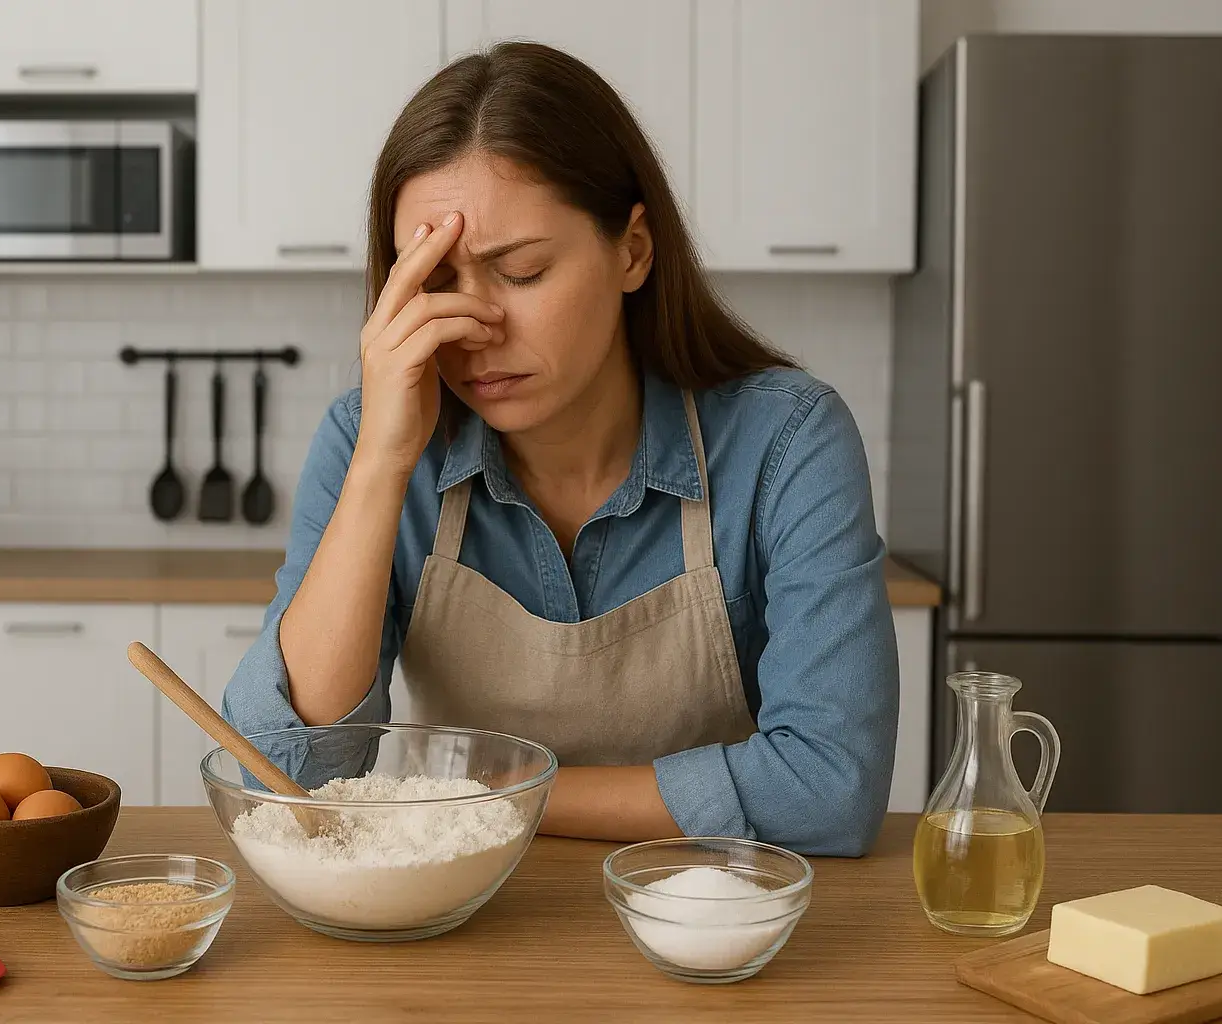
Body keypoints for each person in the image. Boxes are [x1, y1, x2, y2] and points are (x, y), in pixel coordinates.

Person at [222, 42, 898, 856]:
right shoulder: (370, 442)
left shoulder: (786, 442)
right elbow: (284, 777)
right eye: (434, 281)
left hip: (709, 907)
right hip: (470, 909)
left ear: (632, 251)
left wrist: (491, 797)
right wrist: (379, 466)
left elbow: (829, 788)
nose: (474, 327)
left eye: (522, 271)